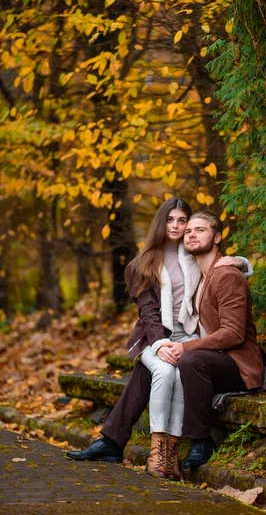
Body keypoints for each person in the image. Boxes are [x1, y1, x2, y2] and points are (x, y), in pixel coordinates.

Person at [66, 198, 251, 479]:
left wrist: (240, 261)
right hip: (157, 336)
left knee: (171, 372)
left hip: (192, 334)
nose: (177, 226)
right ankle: (157, 450)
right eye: (170, 220)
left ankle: (122, 443)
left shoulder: (193, 254)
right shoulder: (142, 264)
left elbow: (219, 267)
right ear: (160, 222)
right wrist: (161, 344)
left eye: (182, 221)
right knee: (163, 368)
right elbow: (148, 314)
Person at [166, 211, 264, 469]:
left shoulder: (227, 276)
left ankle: (201, 440)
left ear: (218, 237)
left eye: (201, 230)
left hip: (239, 365)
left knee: (191, 359)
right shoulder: (201, 277)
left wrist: (185, 346)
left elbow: (233, 333)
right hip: (217, 360)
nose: (191, 234)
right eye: (189, 231)